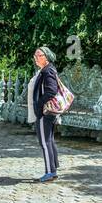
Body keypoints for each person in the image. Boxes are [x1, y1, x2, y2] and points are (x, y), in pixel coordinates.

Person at [29, 46, 63, 183]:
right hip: (47, 112)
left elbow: (51, 91)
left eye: (39, 55)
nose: (36, 58)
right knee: (49, 140)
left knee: (45, 142)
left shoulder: (47, 71)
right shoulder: (47, 69)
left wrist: (39, 105)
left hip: (45, 112)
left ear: (46, 56)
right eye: (35, 56)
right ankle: (53, 169)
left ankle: (50, 172)